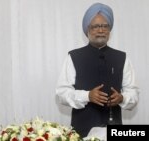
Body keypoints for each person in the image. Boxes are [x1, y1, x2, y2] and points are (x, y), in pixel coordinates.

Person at [55, 3, 139, 138]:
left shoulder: (122, 57)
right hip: (82, 132)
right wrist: (87, 96)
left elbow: (133, 93)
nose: (100, 30)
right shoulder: (73, 56)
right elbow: (62, 94)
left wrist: (122, 98)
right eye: (95, 26)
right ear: (87, 29)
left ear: (109, 29)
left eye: (105, 26)